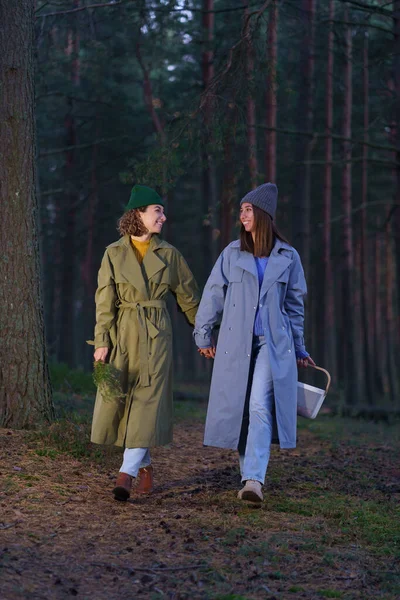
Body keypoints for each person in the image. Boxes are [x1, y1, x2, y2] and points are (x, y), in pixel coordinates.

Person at [194, 183, 315, 503]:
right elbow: (213, 294)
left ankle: (253, 481)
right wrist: (203, 333)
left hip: (272, 345)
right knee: (239, 407)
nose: (242, 215)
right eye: (240, 211)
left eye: (247, 210)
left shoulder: (288, 257)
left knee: (260, 405)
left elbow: (294, 306)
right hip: (235, 343)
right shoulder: (232, 253)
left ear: (263, 215)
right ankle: (247, 469)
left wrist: (300, 346)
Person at [91, 185, 200, 501]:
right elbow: (104, 301)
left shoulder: (169, 254)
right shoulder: (113, 253)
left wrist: (207, 334)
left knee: (147, 404)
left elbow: (189, 299)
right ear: (137, 214)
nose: (163, 217)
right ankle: (146, 464)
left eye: (163, 212)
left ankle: (126, 474)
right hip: (122, 335)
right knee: (122, 403)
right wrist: (101, 340)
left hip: (156, 336)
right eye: (157, 211)